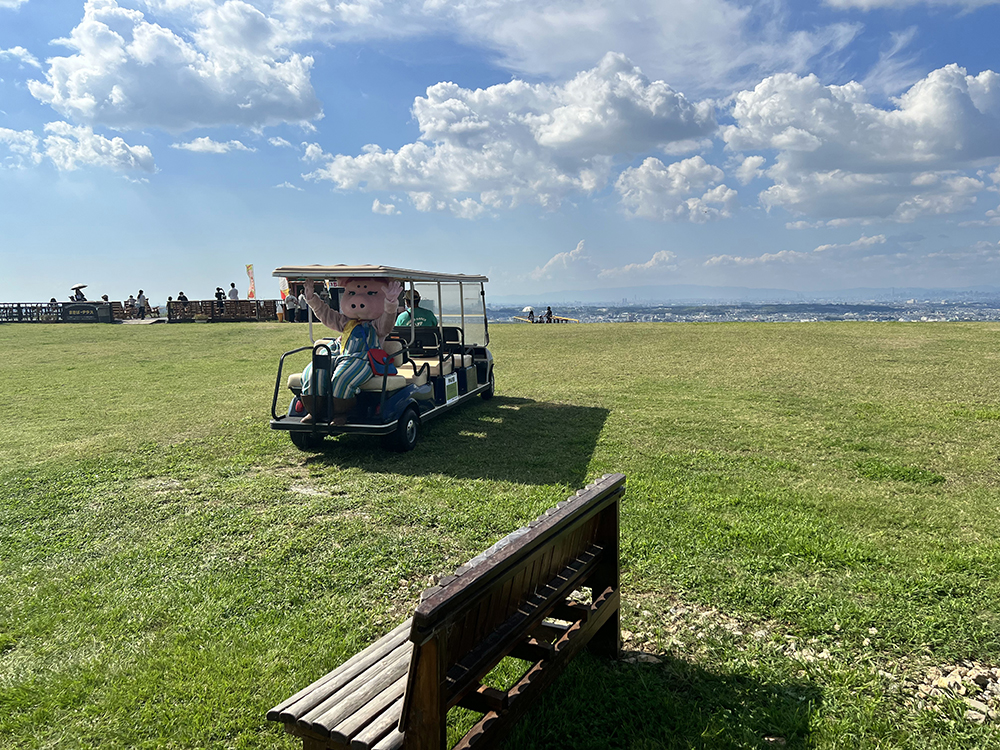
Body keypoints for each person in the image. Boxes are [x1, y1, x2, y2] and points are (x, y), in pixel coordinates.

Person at [299, 278, 402, 424]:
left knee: (342, 377)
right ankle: (314, 411)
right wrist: (311, 298)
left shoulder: (377, 325)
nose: (358, 299)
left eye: (371, 293)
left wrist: (390, 304)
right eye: (352, 292)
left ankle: (340, 414)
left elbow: (388, 322)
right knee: (314, 372)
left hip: (363, 358)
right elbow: (326, 314)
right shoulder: (345, 322)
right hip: (338, 354)